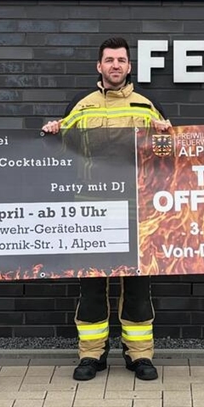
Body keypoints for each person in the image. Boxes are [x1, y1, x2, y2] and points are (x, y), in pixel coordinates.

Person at [43, 37, 172, 382]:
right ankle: (91, 355)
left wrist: (166, 136)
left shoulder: (147, 106)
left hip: (137, 213)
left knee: (138, 289)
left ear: (129, 67)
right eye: (109, 60)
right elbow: (59, 156)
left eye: (121, 60)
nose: (115, 65)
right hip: (91, 212)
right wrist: (52, 134)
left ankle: (139, 356)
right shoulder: (81, 106)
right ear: (99, 66)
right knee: (91, 287)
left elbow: (167, 159)